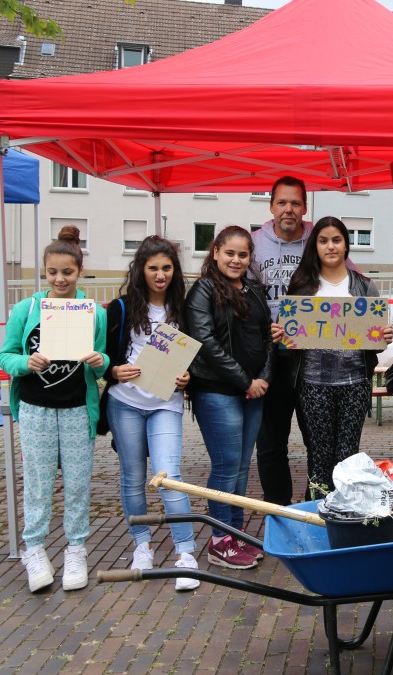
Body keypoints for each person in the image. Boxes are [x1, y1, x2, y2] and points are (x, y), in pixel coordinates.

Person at [0, 225, 108, 593]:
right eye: (53, 272)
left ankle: (76, 549)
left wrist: (99, 360)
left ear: (79, 272)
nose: (60, 279)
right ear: (44, 272)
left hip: (77, 408)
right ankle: (35, 549)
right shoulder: (26, 308)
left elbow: (102, 360)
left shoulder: (93, 311)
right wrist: (24, 363)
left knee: (78, 484)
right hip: (35, 408)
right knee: (38, 484)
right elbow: (6, 355)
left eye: (68, 272)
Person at [104, 236, 198, 591]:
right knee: (132, 476)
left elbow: (193, 358)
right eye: (153, 268)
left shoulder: (183, 310)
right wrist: (114, 371)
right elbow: (104, 356)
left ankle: (185, 552)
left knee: (169, 474)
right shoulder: (122, 307)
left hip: (165, 403)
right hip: (125, 402)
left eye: (167, 268)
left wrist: (189, 378)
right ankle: (141, 545)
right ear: (140, 270)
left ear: (175, 271)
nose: (160, 275)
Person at [284, 217, 393, 496]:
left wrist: (383, 338)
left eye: (336, 240)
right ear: (315, 246)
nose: (330, 246)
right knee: (319, 455)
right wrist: (282, 334)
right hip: (313, 384)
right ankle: (316, 513)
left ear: (346, 245)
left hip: (354, 383)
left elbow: (375, 345)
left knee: (347, 456)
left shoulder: (363, 285)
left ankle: (345, 512)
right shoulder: (302, 284)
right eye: (323, 240)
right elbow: (292, 340)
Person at [186, 225, 273, 570]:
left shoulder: (253, 289)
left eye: (243, 254)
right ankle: (219, 541)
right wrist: (244, 382)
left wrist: (264, 377)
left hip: (254, 390)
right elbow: (206, 344)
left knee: (240, 466)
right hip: (217, 391)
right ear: (216, 252)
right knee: (225, 467)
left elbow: (268, 337)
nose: (236, 260)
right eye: (230, 253)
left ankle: (234, 533)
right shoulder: (203, 290)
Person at [252, 176, 313, 506]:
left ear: (304, 207)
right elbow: (240, 299)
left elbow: (352, 283)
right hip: (270, 358)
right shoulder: (253, 243)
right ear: (271, 205)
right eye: (282, 202)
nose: (289, 209)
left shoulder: (319, 240)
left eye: (295, 203)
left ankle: (314, 509)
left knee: (316, 439)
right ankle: (279, 510)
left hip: (310, 358)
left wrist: (374, 323)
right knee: (271, 443)